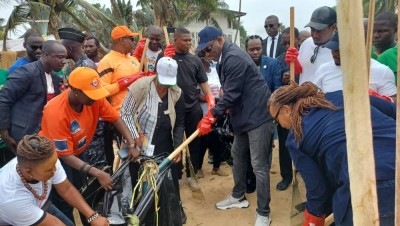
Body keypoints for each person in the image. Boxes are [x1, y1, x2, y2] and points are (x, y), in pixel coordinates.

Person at [268, 82, 395, 226]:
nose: (281, 125)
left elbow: (317, 189)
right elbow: (392, 110)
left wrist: (313, 219)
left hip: (372, 186)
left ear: (286, 110)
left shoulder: (296, 137)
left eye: (276, 120)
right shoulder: (341, 95)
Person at [39, 67, 142, 223]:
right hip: (55, 159)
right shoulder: (55, 112)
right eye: (90, 94)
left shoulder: (94, 99)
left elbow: (115, 118)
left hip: (79, 152)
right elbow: (65, 156)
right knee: (64, 198)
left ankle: (89, 219)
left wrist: (132, 143)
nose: (94, 98)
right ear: (74, 90)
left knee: (83, 192)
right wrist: (98, 173)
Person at [196, 26, 274, 226]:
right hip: (242, 117)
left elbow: (232, 94)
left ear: (220, 40)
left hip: (257, 117)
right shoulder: (223, 58)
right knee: (238, 154)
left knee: (259, 165)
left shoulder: (234, 58)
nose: (207, 53)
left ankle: (264, 213)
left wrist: (210, 116)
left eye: (208, 48)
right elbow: (229, 91)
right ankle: (239, 196)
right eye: (203, 51)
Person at [120, 56, 187, 224]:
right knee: (138, 181)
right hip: (139, 142)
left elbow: (179, 122)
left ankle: (169, 214)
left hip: (164, 142)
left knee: (166, 181)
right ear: (156, 74)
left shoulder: (177, 92)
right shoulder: (140, 87)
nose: (165, 86)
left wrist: (178, 147)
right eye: (163, 82)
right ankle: (142, 216)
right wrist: (133, 143)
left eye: (169, 82)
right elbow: (124, 113)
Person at [0, 134, 109, 226]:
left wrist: (93, 216)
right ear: (29, 172)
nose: (55, 170)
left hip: (36, 206)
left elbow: (67, 189)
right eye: (49, 170)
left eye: (55, 164)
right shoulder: (12, 198)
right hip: (12, 217)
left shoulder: (47, 161)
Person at [158, 27, 214, 192]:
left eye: (190, 40)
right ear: (175, 40)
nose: (189, 43)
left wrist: (211, 104)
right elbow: (155, 79)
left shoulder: (195, 60)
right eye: (185, 40)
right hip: (171, 109)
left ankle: (192, 175)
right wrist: (164, 59)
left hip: (192, 108)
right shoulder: (165, 57)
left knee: (194, 144)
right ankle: (176, 175)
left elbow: (204, 84)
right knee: (173, 143)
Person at [0, 40, 65, 153]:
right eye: (59, 57)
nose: (63, 61)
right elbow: (3, 100)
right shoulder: (26, 73)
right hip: (22, 136)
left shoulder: (55, 78)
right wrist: (4, 133)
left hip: (43, 137)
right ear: (45, 55)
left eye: (65, 58)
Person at [245, 34, 290, 191]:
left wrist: (272, 107)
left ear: (262, 48)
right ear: (247, 50)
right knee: (250, 149)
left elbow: (277, 87)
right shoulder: (243, 64)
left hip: (268, 113)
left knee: (265, 147)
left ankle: (262, 178)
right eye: (252, 49)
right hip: (249, 113)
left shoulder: (272, 63)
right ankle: (251, 179)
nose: (255, 52)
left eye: (258, 49)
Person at [313, 32, 397, 101]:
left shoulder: (381, 71)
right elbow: (315, 98)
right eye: (332, 49)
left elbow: (394, 102)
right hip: (331, 119)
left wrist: (374, 98)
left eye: (339, 50)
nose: (334, 53)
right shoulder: (323, 69)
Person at [195, 51, 228, 178]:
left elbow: (220, 88)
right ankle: (198, 168)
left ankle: (216, 167)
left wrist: (221, 98)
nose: (210, 59)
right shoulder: (198, 73)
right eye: (207, 57)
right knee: (203, 142)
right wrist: (212, 100)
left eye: (210, 57)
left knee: (217, 141)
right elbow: (196, 94)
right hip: (204, 113)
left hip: (216, 112)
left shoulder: (214, 70)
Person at [285, 6, 337, 84]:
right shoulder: (306, 43)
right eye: (312, 29)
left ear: (333, 27)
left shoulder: (340, 49)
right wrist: (293, 62)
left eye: (319, 31)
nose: (314, 35)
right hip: (304, 95)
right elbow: (299, 70)